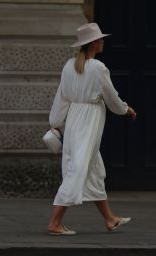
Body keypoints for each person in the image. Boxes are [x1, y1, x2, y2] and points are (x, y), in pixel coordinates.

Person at [48, 23, 136, 235]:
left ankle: (109, 219)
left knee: (93, 169)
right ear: (94, 43)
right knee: (77, 169)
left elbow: (62, 98)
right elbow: (111, 96)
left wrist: (57, 123)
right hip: (89, 121)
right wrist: (125, 109)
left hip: (74, 120)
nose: (103, 41)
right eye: (101, 39)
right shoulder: (98, 68)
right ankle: (54, 223)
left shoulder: (69, 65)